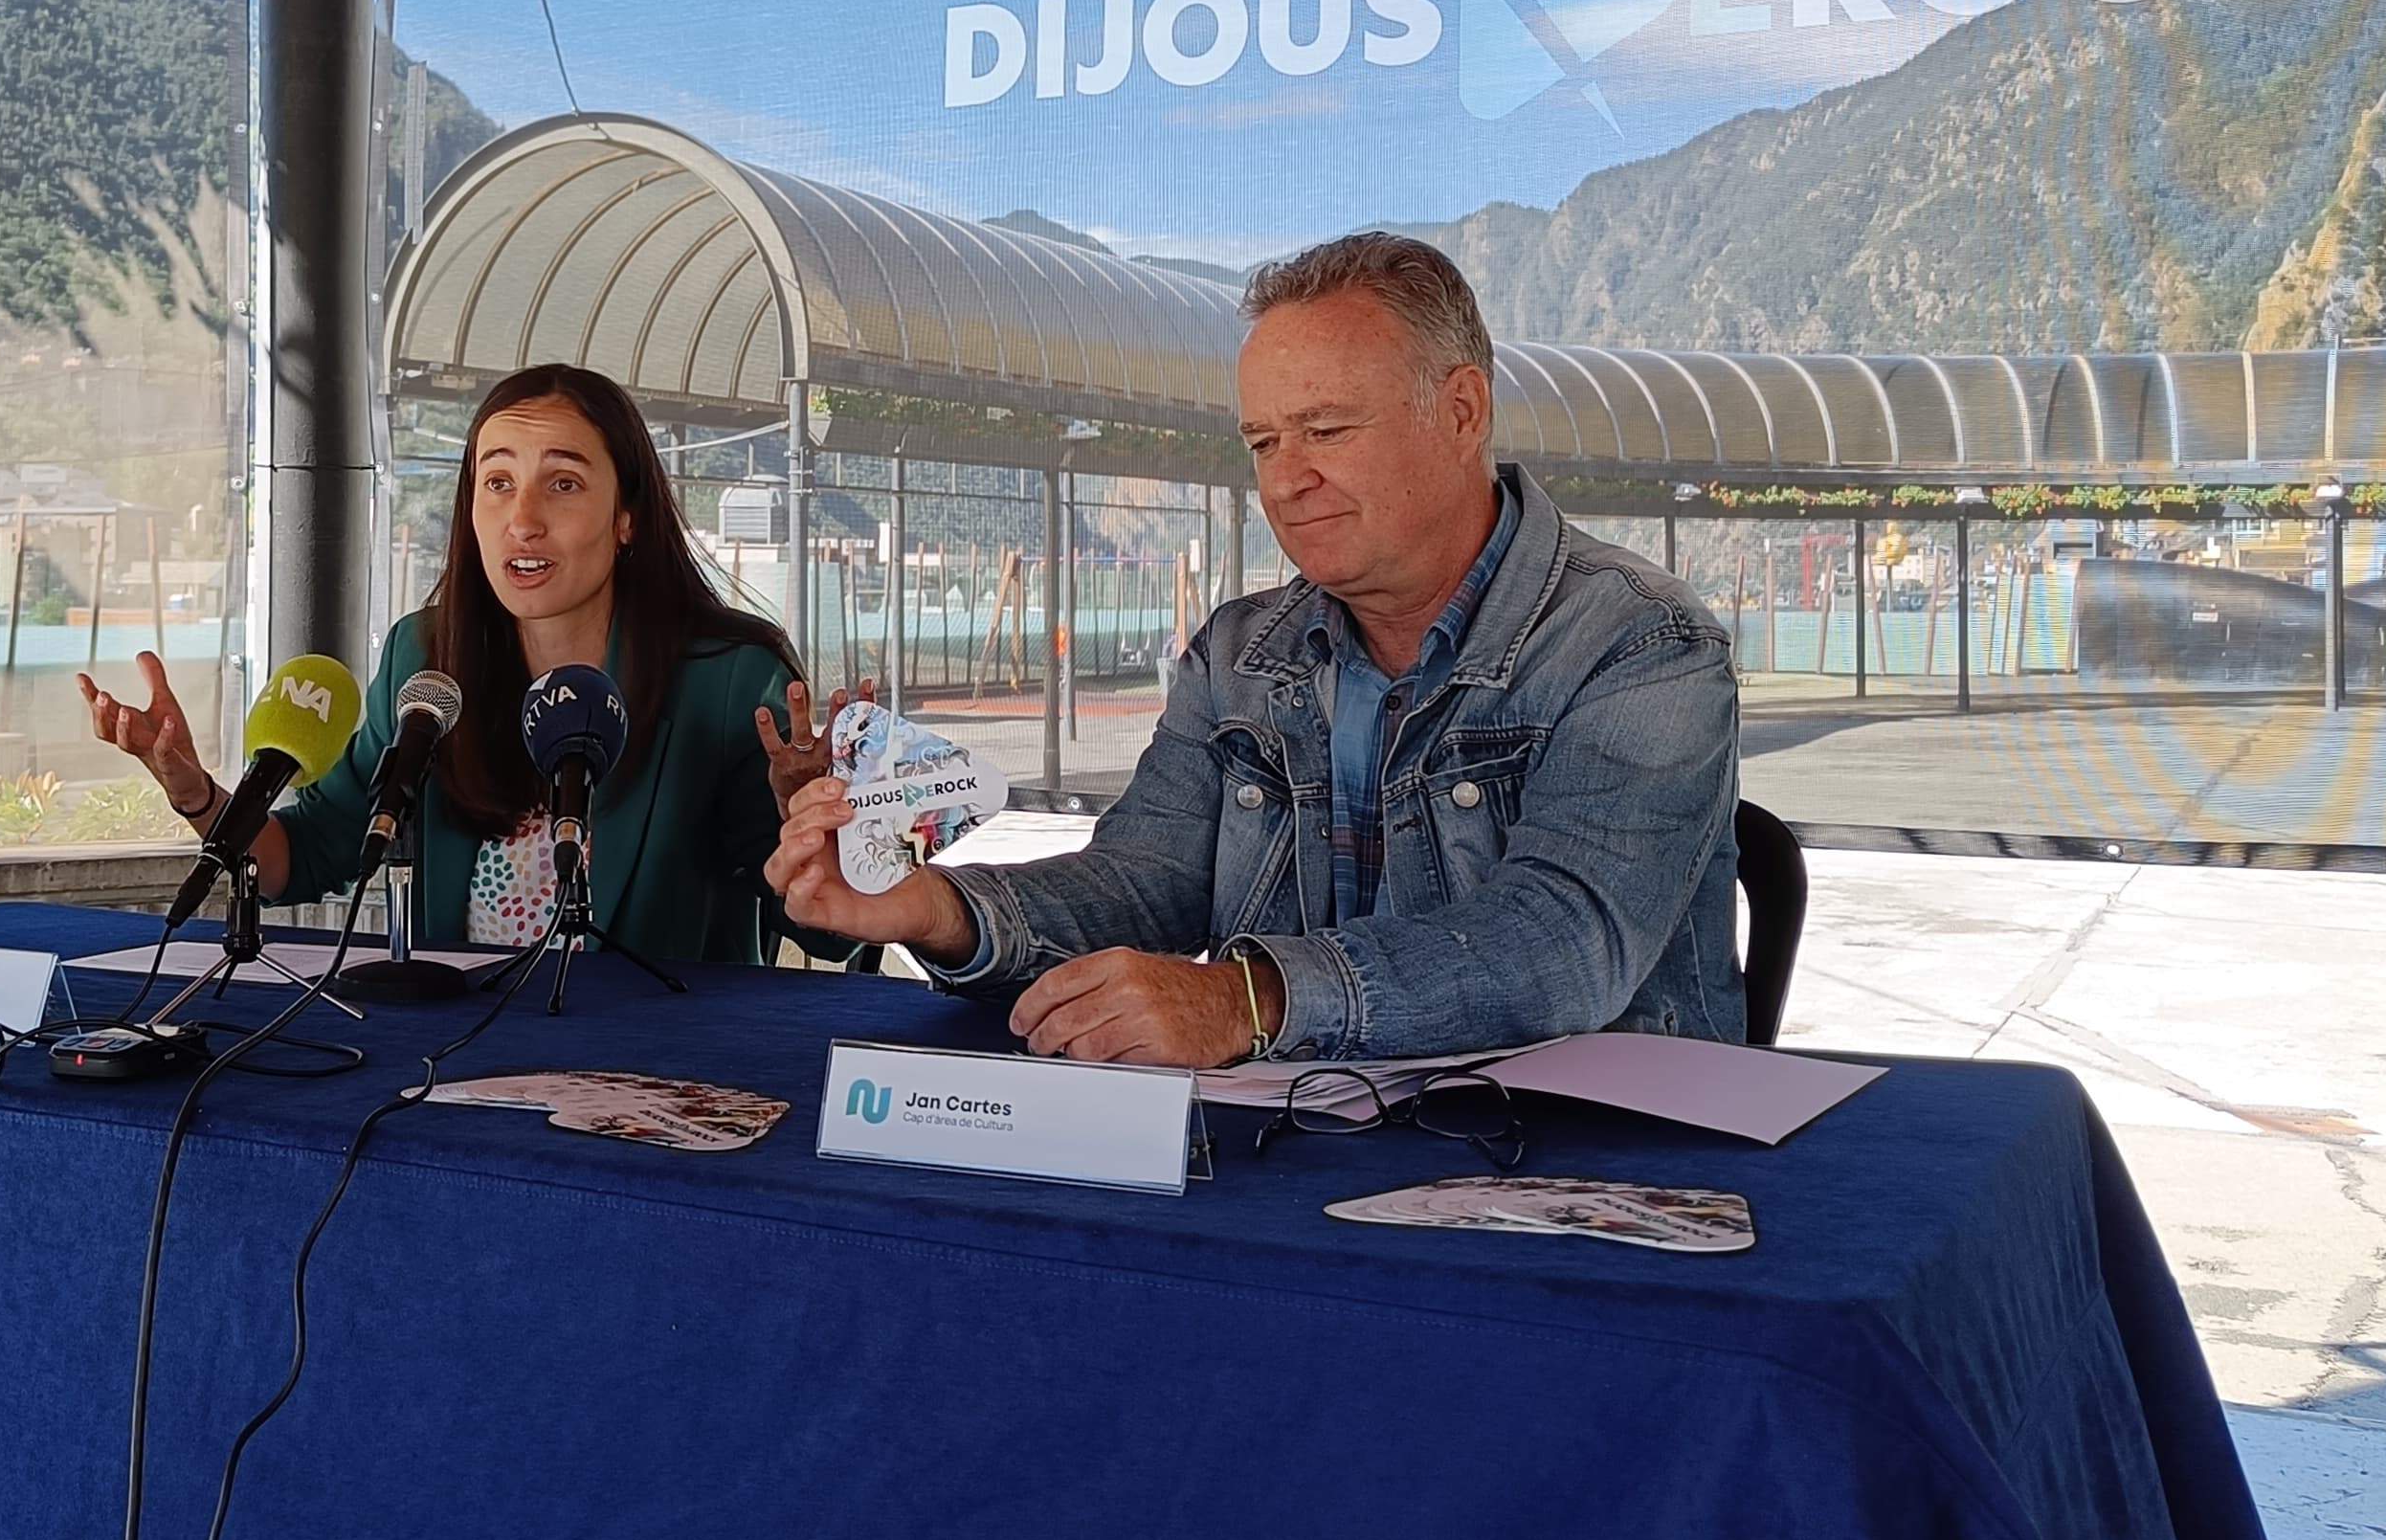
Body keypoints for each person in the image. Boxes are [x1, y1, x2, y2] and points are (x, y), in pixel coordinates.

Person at [768, 231, 1739, 1065]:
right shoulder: (1238, 653)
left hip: (1593, 1184)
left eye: (1325, 429)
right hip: (1293, 1149)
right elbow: (1142, 882)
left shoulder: (1642, 644)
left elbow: (1559, 945)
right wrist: (937, 908)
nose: (1287, 480)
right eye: (1265, 442)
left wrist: (1248, 1000)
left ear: (1460, 412)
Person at [83, 362, 859, 965]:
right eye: (497, 483)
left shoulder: (728, 677)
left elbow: (830, 935)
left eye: (562, 484)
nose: (522, 520)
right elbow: (307, 854)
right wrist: (198, 794)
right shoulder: (426, 659)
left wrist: (816, 825)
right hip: (447, 1068)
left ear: (626, 517)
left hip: (646, 1086)